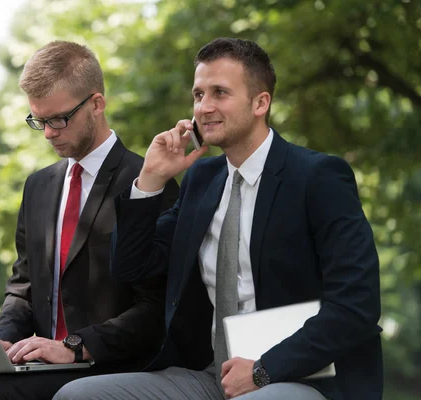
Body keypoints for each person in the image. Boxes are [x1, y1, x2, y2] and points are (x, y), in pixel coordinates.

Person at [54, 37, 383, 400]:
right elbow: (133, 267)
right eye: (198, 95)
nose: (204, 107)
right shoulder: (201, 180)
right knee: (77, 395)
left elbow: (356, 307)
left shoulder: (317, 177)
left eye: (219, 93)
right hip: (211, 375)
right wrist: (150, 179)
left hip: (302, 376)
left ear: (261, 102)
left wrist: (262, 370)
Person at [0, 40, 179, 400]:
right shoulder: (39, 186)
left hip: (110, 362)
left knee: (9, 393)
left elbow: (156, 308)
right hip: (37, 363)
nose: (48, 133)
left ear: (97, 104)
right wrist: (1, 341)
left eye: (59, 119)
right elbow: (24, 285)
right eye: (39, 121)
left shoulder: (148, 182)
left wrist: (74, 347)